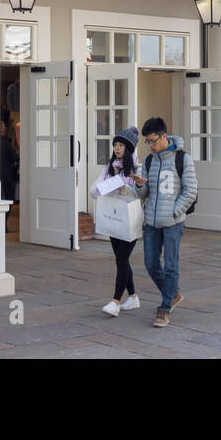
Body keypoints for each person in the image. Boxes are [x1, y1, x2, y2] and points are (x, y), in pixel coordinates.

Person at [132, 116, 196, 328]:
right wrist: (140, 185)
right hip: (151, 222)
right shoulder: (149, 161)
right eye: (147, 142)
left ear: (164, 136)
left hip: (172, 222)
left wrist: (175, 212)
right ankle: (173, 294)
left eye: (153, 140)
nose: (150, 145)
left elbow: (190, 191)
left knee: (171, 265)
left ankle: (165, 308)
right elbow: (143, 193)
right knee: (151, 264)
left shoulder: (182, 159)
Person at [88, 127, 141, 317]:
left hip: (131, 219)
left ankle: (116, 301)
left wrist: (124, 187)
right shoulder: (110, 167)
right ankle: (133, 297)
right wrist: (106, 186)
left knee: (121, 259)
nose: (117, 149)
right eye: (115, 145)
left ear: (129, 149)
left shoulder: (137, 169)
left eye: (121, 145)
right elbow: (93, 190)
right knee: (122, 261)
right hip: (114, 217)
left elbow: (140, 194)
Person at [0, 119, 18, 231]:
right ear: (2, 130)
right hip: (6, 176)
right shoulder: (5, 143)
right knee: (8, 199)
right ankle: (3, 224)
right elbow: (14, 157)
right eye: (4, 127)